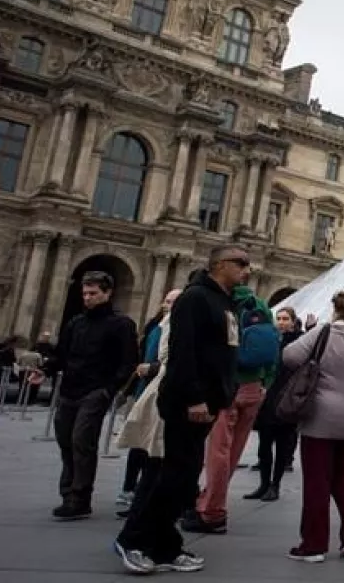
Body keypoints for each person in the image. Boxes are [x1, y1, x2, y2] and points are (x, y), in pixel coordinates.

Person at [114, 245, 249, 575]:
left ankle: (165, 545)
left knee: (183, 479)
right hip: (187, 402)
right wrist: (195, 398)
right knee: (168, 476)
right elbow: (183, 352)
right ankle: (132, 540)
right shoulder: (194, 299)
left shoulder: (225, 301)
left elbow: (224, 352)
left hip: (210, 401)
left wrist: (224, 393)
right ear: (218, 264)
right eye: (240, 263)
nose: (247, 269)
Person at [281, 290, 344, 562]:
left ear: (337, 310)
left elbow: (289, 356)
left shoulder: (324, 333)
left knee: (317, 480)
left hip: (321, 417)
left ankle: (313, 545)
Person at [183, 285, 278, 534]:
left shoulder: (225, 305)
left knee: (218, 450)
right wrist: (265, 383)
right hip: (254, 389)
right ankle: (210, 500)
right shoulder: (261, 306)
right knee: (233, 451)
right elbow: (273, 352)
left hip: (230, 387)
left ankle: (212, 511)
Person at [44, 271, 139, 521]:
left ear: (108, 293)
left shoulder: (122, 325)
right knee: (66, 441)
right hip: (69, 390)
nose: (87, 298)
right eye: (85, 293)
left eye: (93, 293)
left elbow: (128, 360)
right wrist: (44, 369)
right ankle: (68, 494)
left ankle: (80, 497)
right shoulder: (76, 323)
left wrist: (110, 389)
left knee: (82, 441)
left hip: (95, 391)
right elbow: (61, 355)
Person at [117, 289, 181, 518]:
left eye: (174, 301)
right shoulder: (156, 326)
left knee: (152, 447)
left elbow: (167, 361)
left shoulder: (173, 326)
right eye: (167, 300)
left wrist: (152, 368)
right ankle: (129, 489)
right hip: (145, 388)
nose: (169, 305)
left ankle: (141, 497)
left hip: (159, 389)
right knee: (139, 443)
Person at [246, 307, 305, 503]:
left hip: (286, 398)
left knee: (281, 444)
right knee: (264, 444)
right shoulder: (271, 339)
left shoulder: (298, 342)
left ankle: (275, 485)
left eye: (285, 319)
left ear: (293, 321)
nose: (281, 322)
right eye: (278, 318)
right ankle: (263, 484)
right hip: (268, 397)